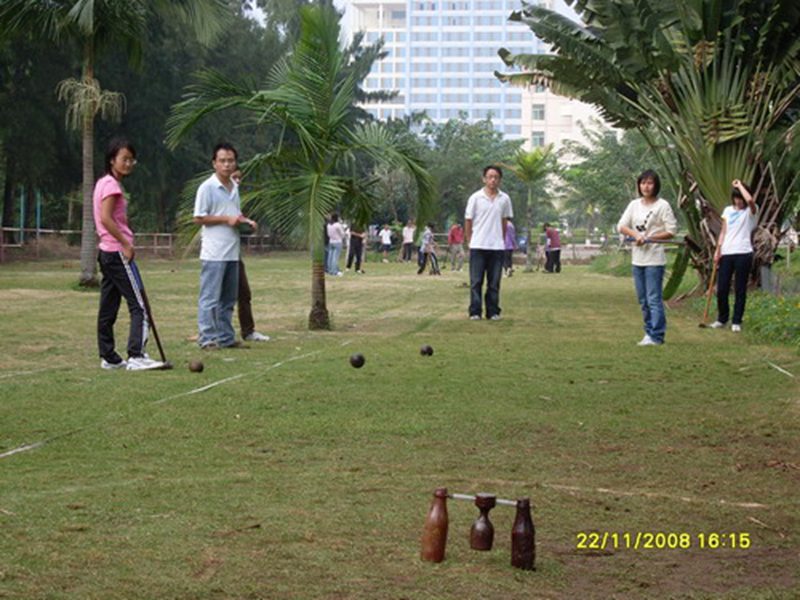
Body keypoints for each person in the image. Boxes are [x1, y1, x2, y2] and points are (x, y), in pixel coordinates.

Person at [93, 138, 165, 370]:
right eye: (124, 159)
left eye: (131, 159)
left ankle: (109, 357)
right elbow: (105, 218)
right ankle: (137, 355)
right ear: (112, 159)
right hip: (117, 252)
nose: (128, 163)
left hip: (106, 253)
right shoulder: (112, 186)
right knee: (140, 305)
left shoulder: (102, 183)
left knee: (109, 305)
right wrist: (125, 243)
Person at [193, 143, 257, 350]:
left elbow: (233, 214)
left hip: (232, 250)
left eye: (230, 160)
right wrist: (225, 219)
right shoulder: (207, 187)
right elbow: (199, 217)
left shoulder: (234, 186)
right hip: (214, 252)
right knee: (210, 297)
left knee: (228, 299)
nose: (227, 164)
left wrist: (245, 221)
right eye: (222, 161)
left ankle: (226, 337)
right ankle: (207, 338)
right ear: (214, 163)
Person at [617, 169, 677, 346]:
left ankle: (657, 335)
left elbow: (671, 231)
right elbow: (621, 225)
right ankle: (648, 332)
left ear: (656, 185)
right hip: (638, 260)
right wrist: (636, 236)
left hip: (654, 259)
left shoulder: (663, 205)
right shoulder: (634, 205)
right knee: (643, 300)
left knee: (653, 298)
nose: (646, 186)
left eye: (650, 183)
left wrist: (651, 238)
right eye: (643, 183)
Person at [465, 166, 513, 320]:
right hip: (478, 245)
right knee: (476, 281)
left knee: (494, 282)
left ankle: (493, 311)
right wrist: (469, 240)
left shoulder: (504, 199)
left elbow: (504, 221)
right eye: (490, 176)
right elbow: (468, 220)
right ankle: (475, 311)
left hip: (497, 246)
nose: (493, 180)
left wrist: (501, 239)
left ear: (500, 180)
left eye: (496, 177)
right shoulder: (475, 198)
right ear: (484, 179)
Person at [710, 179, 757, 332]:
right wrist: (718, 250)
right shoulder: (728, 211)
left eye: (741, 198)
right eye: (736, 198)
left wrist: (740, 186)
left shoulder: (751, 212)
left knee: (740, 288)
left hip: (743, 253)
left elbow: (750, 200)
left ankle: (737, 321)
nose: (739, 201)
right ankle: (722, 318)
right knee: (722, 288)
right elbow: (724, 231)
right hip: (727, 252)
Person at [231, 169, 269, 342]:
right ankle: (211, 333)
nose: (238, 181)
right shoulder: (214, 190)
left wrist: (247, 223)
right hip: (217, 254)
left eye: (239, 177)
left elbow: (237, 217)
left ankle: (248, 331)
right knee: (218, 296)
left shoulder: (234, 195)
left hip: (233, 252)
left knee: (244, 293)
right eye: (234, 177)